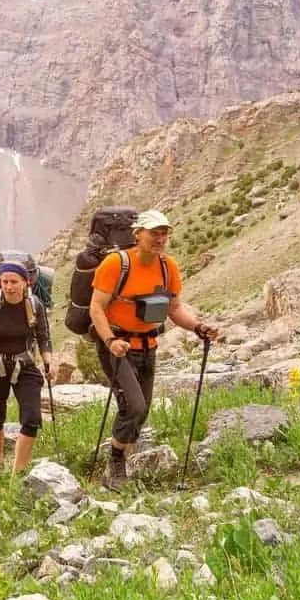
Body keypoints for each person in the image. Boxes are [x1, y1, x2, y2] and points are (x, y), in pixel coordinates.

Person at [89, 209, 220, 491]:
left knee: (143, 410)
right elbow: (96, 308)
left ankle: (121, 462)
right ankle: (115, 465)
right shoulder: (115, 264)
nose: (160, 239)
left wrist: (198, 327)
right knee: (133, 406)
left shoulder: (167, 267)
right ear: (138, 234)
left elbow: (174, 309)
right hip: (116, 347)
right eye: (154, 233)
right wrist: (111, 340)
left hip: (148, 345)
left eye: (164, 233)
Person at [0, 261, 54, 473]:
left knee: (32, 418)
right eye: (5, 281)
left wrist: (48, 361)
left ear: (26, 283)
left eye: (14, 282)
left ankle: (17, 472)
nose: (8, 286)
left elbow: (43, 337)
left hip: (24, 365)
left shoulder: (35, 306)